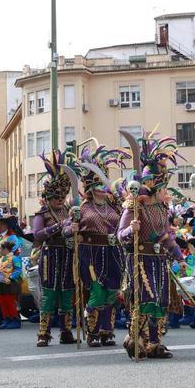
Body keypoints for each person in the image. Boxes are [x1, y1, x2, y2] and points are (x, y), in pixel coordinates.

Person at [119, 133, 186, 359]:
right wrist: (131, 230)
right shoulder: (133, 206)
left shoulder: (162, 208)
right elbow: (120, 235)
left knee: (160, 300)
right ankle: (135, 337)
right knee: (146, 298)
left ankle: (155, 343)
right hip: (139, 258)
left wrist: (179, 256)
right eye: (163, 186)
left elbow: (167, 236)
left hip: (159, 260)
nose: (165, 190)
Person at [73, 146, 128, 346]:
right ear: (90, 187)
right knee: (97, 292)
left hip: (113, 252)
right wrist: (71, 227)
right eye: (97, 185)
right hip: (91, 254)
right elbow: (68, 229)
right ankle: (92, 331)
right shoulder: (82, 207)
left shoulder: (114, 206)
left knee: (112, 292)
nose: (102, 189)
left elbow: (124, 222)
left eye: (103, 184)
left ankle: (106, 331)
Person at [31, 153, 80, 347]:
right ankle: (44, 333)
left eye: (62, 196)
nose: (60, 199)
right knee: (50, 294)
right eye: (56, 196)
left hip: (67, 255)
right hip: (50, 256)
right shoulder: (42, 214)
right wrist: (59, 226)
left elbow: (72, 230)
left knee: (67, 293)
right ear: (48, 197)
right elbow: (37, 235)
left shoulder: (69, 211)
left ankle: (66, 332)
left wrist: (74, 229)